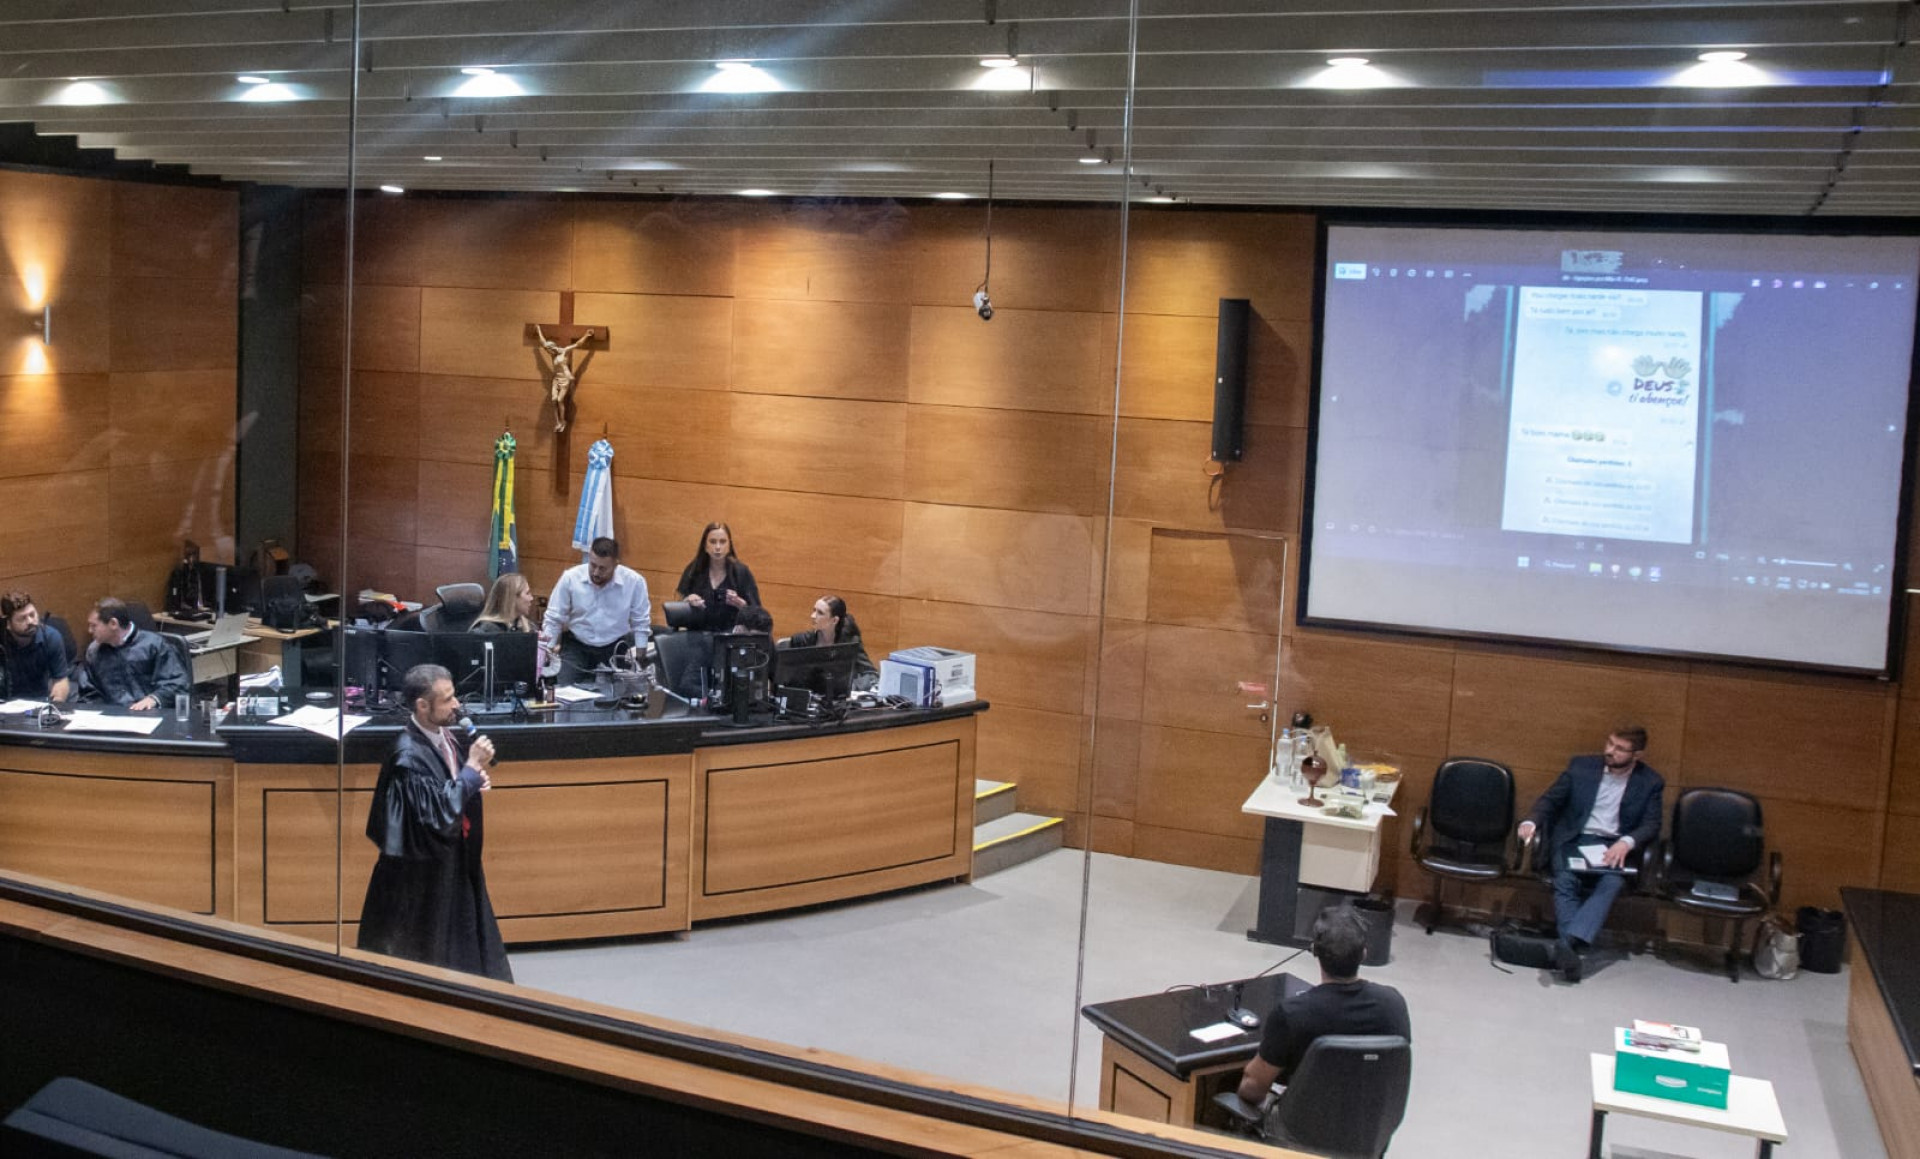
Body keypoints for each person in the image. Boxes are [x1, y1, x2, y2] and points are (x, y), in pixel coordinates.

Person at [357, 663, 512, 982]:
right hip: (421, 878)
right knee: (430, 948)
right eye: (447, 700)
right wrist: (470, 770)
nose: (456, 705)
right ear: (422, 706)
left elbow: (446, 787)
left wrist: (470, 781)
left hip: (451, 863)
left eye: (454, 696)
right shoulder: (408, 757)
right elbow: (439, 812)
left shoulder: (444, 737)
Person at [1517, 725, 1665, 982]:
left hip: (1613, 844)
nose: (1610, 751)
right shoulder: (1581, 767)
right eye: (1609, 743)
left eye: (1620, 749)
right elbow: (1551, 800)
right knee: (1565, 879)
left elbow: (1651, 824)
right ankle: (1574, 944)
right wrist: (1531, 821)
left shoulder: (1650, 782)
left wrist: (1627, 842)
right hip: (1576, 838)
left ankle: (1569, 945)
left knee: (1612, 881)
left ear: (1637, 755)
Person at [1236, 903, 1411, 1103]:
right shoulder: (1394, 1004)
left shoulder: (1292, 1014)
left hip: (1300, 1129)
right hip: (1370, 1127)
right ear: (1363, 953)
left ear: (1314, 950)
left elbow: (1252, 1089)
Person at [541, 536, 651, 684]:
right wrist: (547, 652)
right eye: (593, 565)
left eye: (603, 568)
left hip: (615, 645)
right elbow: (554, 618)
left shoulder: (635, 582)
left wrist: (639, 659)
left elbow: (641, 622)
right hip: (578, 645)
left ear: (616, 564)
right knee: (563, 691)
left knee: (623, 695)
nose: (596, 573)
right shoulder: (570, 578)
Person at [75, 598, 189, 710]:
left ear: (113, 624)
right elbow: (89, 693)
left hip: (151, 715)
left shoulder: (155, 645)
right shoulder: (94, 651)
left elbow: (178, 684)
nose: (89, 631)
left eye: (94, 626)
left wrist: (154, 699)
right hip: (112, 719)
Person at [674, 522, 761, 634]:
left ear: (729, 545)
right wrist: (687, 601)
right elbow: (677, 611)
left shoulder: (741, 572)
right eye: (713, 542)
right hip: (697, 637)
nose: (718, 547)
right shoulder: (693, 570)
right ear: (705, 546)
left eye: (723, 542)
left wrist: (742, 605)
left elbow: (759, 617)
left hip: (730, 639)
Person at [779, 594, 878, 690]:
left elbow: (870, 674)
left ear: (834, 620)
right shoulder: (803, 641)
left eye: (820, 613)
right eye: (814, 610)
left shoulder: (849, 642)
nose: (813, 616)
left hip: (838, 700)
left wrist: (852, 687)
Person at [1, 590, 71, 702]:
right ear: (8, 624)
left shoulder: (51, 637)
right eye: (22, 618)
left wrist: (54, 706)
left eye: (32, 615)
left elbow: (60, 680)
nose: (30, 621)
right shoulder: (2, 642)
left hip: (39, 702)